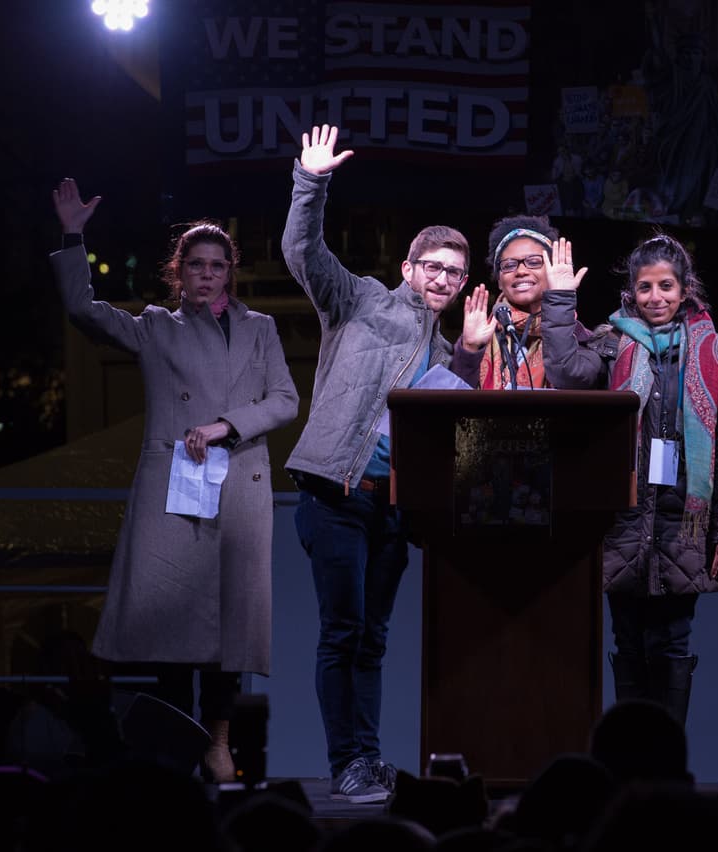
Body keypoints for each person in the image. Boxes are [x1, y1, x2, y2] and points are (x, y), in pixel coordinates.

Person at [50, 179, 300, 782]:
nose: (207, 274)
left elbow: (286, 400)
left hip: (236, 483)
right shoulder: (154, 326)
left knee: (228, 628)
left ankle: (217, 743)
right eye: (196, 264)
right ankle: (171, 754)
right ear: (179, 272)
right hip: (176, 488)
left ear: (229, 272)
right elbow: (82, 309)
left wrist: (224, 425)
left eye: (217, 265)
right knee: (172, 624)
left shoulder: (261, 327)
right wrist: (73, 235)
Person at [280, 125, 470, 804]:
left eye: (456, 271)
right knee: (344, 630)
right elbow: (302, 253)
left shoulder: (450, 354)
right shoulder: (361, 299)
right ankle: (346, 764)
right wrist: (312, 180)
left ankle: (367, 758)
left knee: (373, 641)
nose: (444, 279)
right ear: (410, 269)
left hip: (395, 506)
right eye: (434, 266)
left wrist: (471, 355)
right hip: (338, 492)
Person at [540, 233, 718, 726]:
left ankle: (666, 763)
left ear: (685, 289)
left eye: (666, 286)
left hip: (683, 526)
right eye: (645, 287)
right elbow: (566, 374)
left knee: (672, 642)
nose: (655, 297)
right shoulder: (612, 346)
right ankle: (632, 759)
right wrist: (559, 299)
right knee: (627, 641)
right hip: (622, 522)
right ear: (631, 292)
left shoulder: (714, 355)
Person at [451, 215, 591, 390]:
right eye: (509, 265)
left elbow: (569, 378)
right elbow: (454, 404)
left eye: (533, 262)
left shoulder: (583, 339)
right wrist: (469, 350)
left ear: (553, 270)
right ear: (499, 281)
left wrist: (560, 298)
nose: (521, 271)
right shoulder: (479, 337)